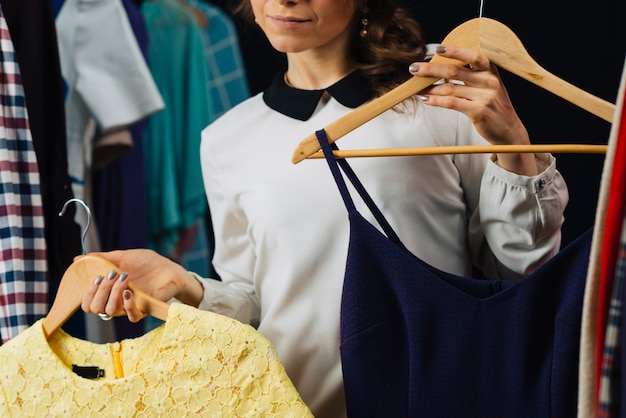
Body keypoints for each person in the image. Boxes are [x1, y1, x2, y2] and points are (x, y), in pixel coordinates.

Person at [81, 0, 568, 416]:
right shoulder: (225, 139)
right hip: (292, 402)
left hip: (432, 396)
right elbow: (251, 304)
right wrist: (185, 286)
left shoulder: (440, 98)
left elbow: (523, 269)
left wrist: (515, 148)